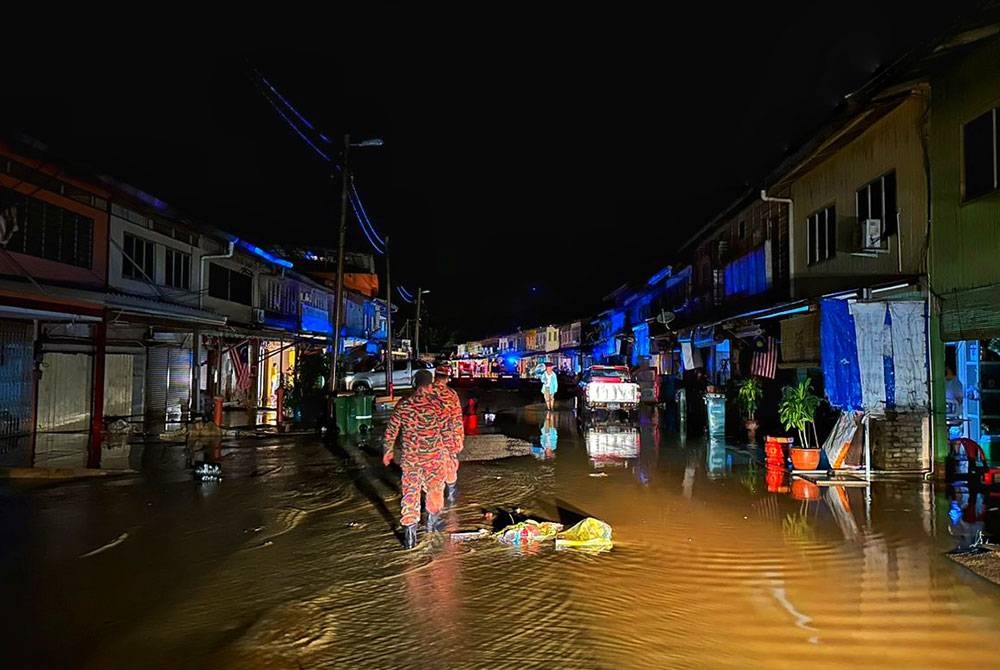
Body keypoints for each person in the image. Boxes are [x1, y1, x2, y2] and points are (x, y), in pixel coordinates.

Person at [383, 369, 451, 549]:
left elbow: (391, 431)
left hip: (411, 460)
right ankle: (430, 529)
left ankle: (410, 540)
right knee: (435, 491)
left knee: (410, 494)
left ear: (414, 384)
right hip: (434, 459)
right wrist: (450, 452)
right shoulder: (438, 405)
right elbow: (447, 433)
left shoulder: (404, 404)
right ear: (430, 385)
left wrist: (388, 451)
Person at [426, 364, 464, 503]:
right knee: (450, 464)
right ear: (448, 378)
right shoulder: (451, 394)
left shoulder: (426, 392)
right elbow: (457, 419)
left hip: (428, 437)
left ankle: (432, 500)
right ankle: (451, 493)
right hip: (447, 437)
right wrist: (459, 440)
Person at [945, 365, 965, 439]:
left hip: (953, 416)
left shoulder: (956, 383)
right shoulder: (942, 382)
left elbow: (959, 399)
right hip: (944, 415)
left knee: (954, 436)